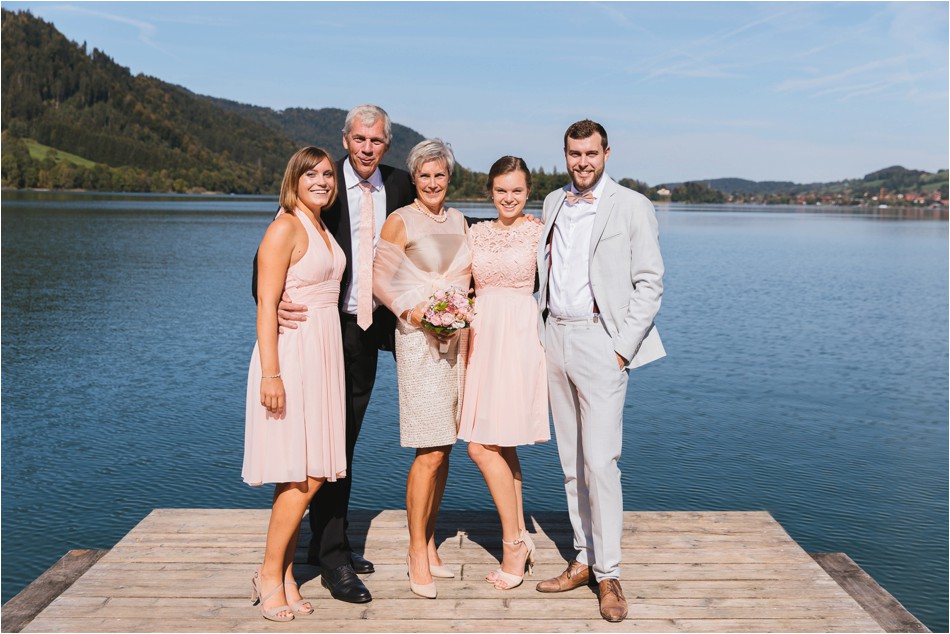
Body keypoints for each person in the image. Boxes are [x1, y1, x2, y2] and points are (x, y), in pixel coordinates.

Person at [258, 104, 415, 604]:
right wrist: (273, 303)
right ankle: (330, 559)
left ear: (386, 146)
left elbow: (433, 221)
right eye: (360, 140)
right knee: (323, 446)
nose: (368, 149)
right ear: (346, 140)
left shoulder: (399, 184)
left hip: (370, 331)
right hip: (324, 330)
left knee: (339, 445)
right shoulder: (320, 189)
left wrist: (507, 226)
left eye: (377, 141)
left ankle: (329, 542)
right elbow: (266, 261)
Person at [535, 120, 665, 623]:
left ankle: (609, 573)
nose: (582, 162)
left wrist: (620, 349)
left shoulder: (632, 206)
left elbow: (650, 282)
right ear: (565, 154)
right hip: (555, 340)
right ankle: (583, 559)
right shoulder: (550, 202)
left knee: (601, 463)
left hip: (600, 341)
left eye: (590, 153)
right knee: (570, 462)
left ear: (607, 153)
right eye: (574, 153)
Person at [242, 147, 346, 622]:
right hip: (293, 356)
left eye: (328, 173)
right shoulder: (285, 225)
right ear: (294, 179)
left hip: (323, 355)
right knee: (303, 474)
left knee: (307, 471)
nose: (322, 180)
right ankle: (268, 573)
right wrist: (271, 373)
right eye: (312, 174)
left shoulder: (321, 224)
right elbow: (267, 305)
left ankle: (284, 574)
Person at [373, 139, 472, 599]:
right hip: (417, 340)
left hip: (455, 339)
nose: (433, 183)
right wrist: (414, 316)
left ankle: (430, 542)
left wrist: (456, 317)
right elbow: (380, 280)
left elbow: (466, 277)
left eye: (440, 175)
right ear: (414, 179)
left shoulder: (458, 220)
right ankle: (415, 552)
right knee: (427, 449)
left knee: (445, 446)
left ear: (449, 178)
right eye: (425, 176)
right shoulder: (400, 220)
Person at [457, 156, 549, 590]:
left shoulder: (540, 230)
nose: (509, 198)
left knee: (480, 446)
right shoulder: (475, 232)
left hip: (518, 338)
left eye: (516, 190)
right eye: (501, 191)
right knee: (501, 444)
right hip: (481, 338)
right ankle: (523, 536)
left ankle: (512, 542)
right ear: (489, 193)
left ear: (528, 192)